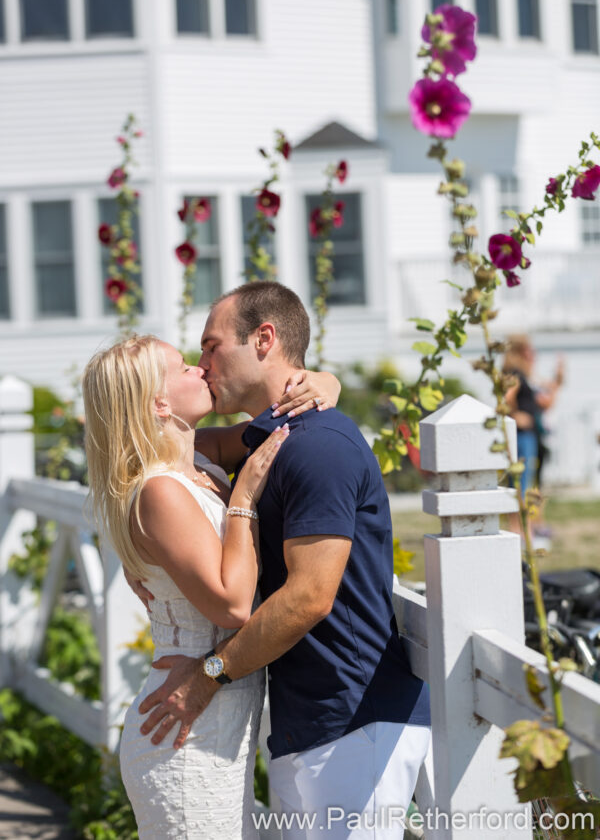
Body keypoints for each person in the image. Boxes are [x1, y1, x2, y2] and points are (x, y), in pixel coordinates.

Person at [135, 282, 431, 840]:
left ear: (264, 338)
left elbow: (309, 596)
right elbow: (172, 453)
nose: (203, 365)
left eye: (212, 346)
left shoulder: (317, 445)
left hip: (352, 715)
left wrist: (208, 675)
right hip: (305, 719)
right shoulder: (271, 437)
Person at [82, 334, 340, 839]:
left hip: (214, 723)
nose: (201, 370)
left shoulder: (197, 459)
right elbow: (233, 604)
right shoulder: (159, 490)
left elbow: (274, 425)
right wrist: (243, 494)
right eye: (183, 367)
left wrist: (326, 383)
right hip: (181, 734)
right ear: (158, 403)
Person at [503, 334, 564, 539]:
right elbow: (505, 399)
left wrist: (558, 380)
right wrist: (515, 415)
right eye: (529, 351)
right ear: (519, 352)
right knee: (520, 484)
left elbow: (545, 401)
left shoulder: (526, 376)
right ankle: (519, 528)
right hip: (522, 436)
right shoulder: (515, 374)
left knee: (528, 483)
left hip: (531, 436)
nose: (533, 355)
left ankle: (527, 527)